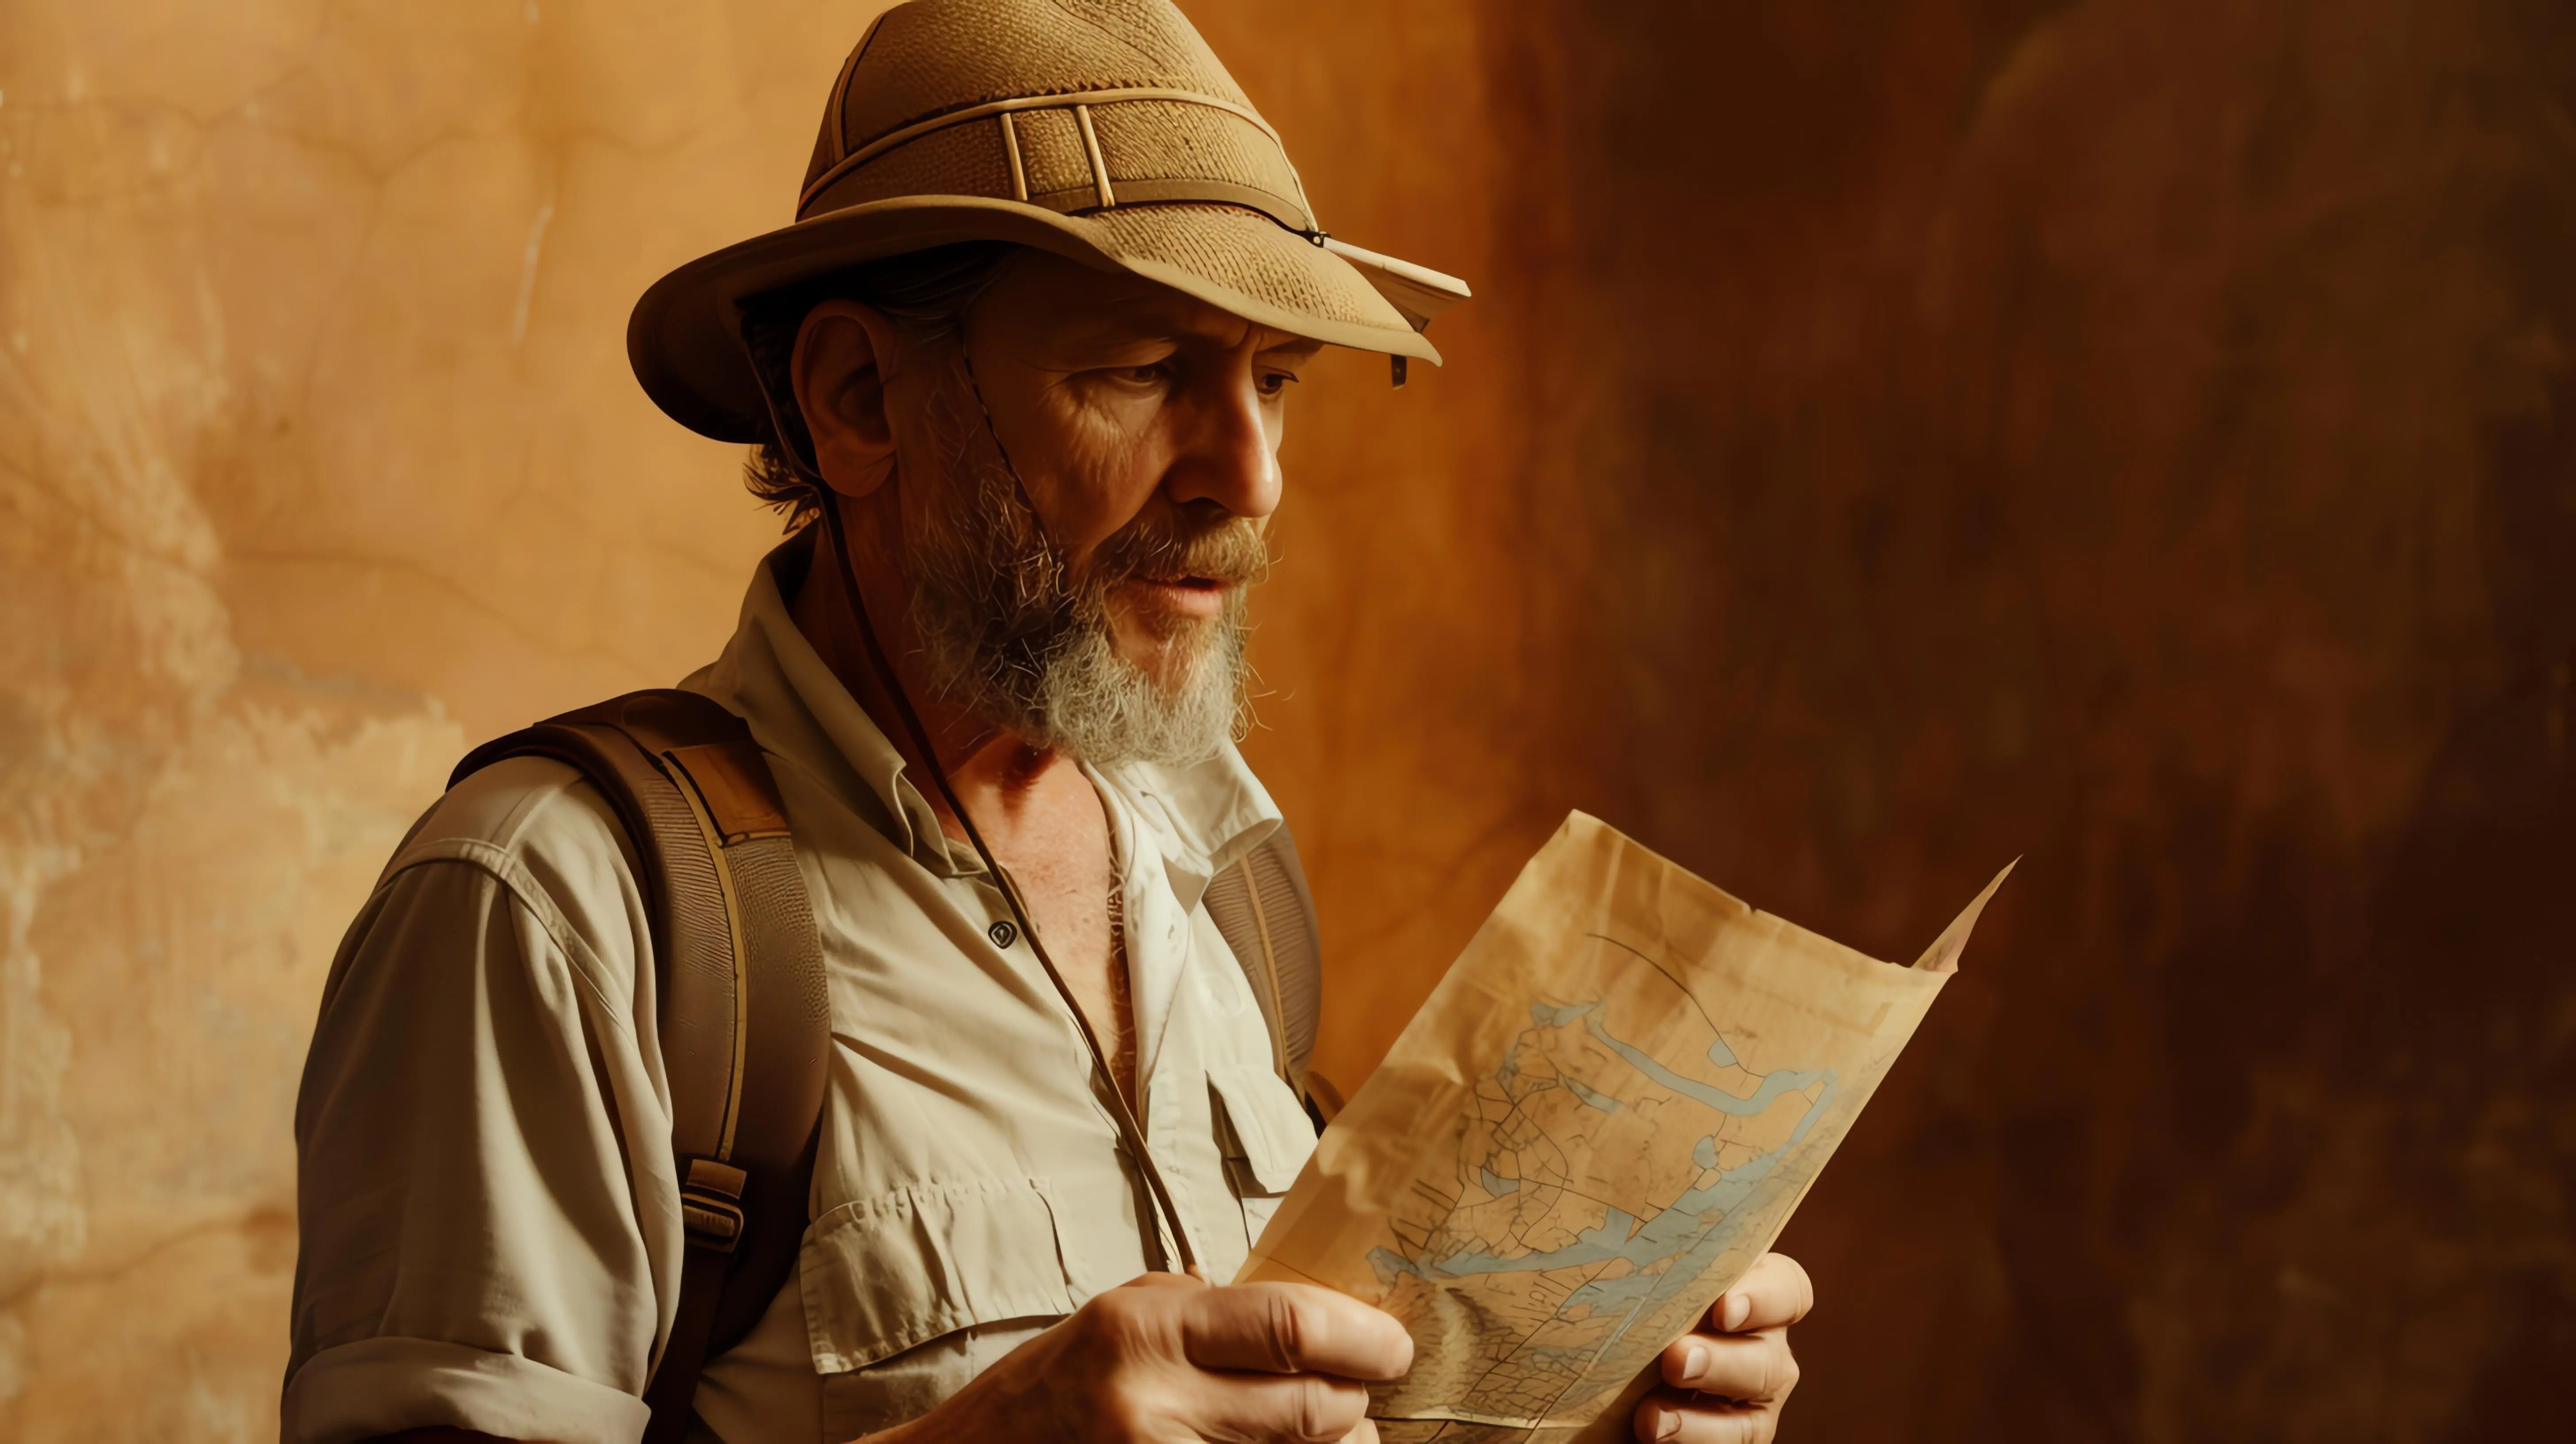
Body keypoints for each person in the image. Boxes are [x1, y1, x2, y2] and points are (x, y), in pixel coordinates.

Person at [280, 2, 1813, 1442]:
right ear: (857, 401)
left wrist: (1614, 1397)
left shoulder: (1226, 884)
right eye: (1145, 370)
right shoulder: (552, 914)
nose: (1251, 475)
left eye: (1276, 379)